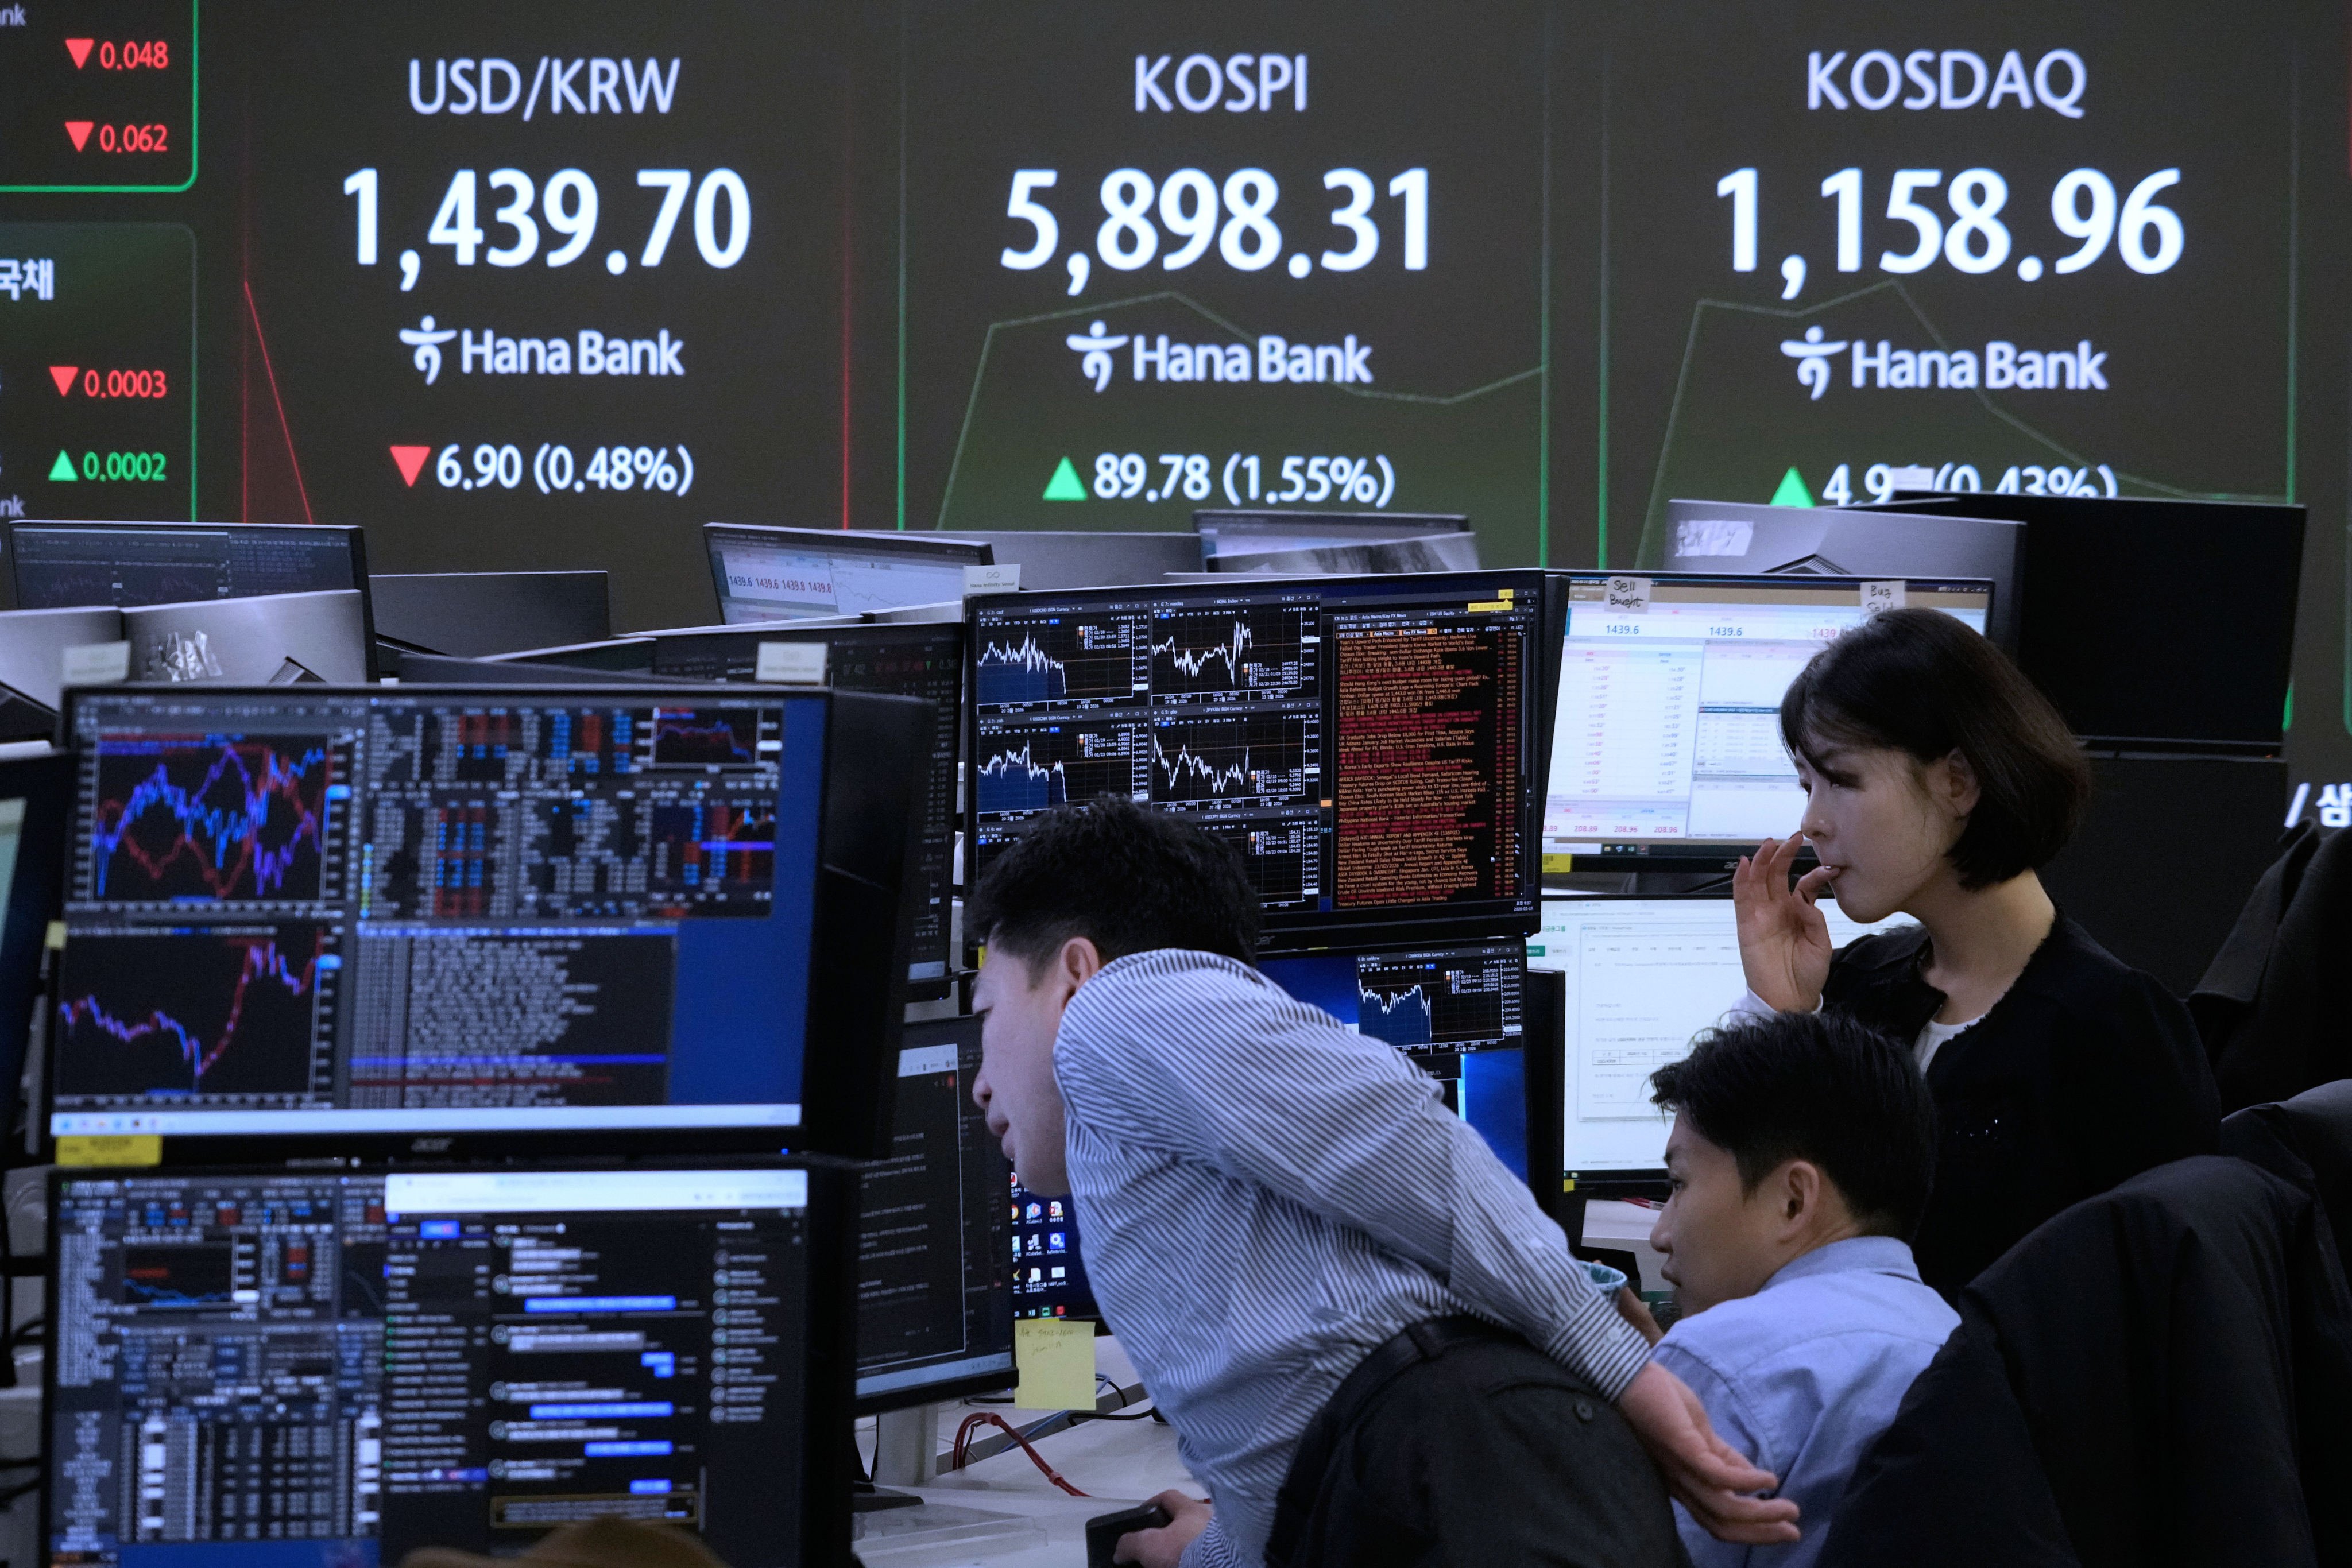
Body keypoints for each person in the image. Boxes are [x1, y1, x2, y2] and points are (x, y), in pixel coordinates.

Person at [969, 796, 1800, 1568]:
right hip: (1439, 1484)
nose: (978, 1082)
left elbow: (1397, 1127)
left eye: (986, 1011)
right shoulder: (1161, 1177)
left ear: (1076, 975)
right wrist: (1209, 1552)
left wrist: (1623, 1368)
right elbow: (1287, 1461)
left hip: (1468, 1465)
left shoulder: (1111, 1015)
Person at [1734, 606, 2219, 1295]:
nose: (1811, 820)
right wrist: (1779, 1017)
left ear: (1957, 782)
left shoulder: (2113, 1031)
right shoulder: (1856, 990)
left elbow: (2163, 1311)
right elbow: (1745, 1230)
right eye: (1805, 784)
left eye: (1840, 780)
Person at [1645, 1010, 1960, 1568]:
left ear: (1793, 1200)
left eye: (1678, 1184)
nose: (1660, 1232)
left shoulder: (1721, 1357)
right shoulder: (1958, 1341)